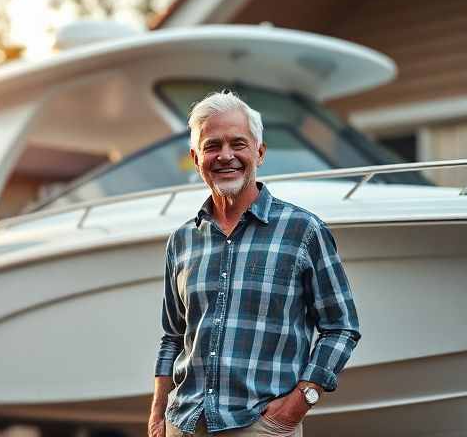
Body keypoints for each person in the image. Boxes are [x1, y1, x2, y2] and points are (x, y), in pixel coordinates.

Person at [148, 91, 361, 436]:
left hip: (261, 425)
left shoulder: (303, 230)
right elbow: (172, 335)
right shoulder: (182, 240)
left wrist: (301, 401)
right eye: (212, 145)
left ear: (259, 153)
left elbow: (341, 326)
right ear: (196, 157)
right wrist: (158, 413)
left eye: (238, 144)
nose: (225, 155)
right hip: (184, 423)